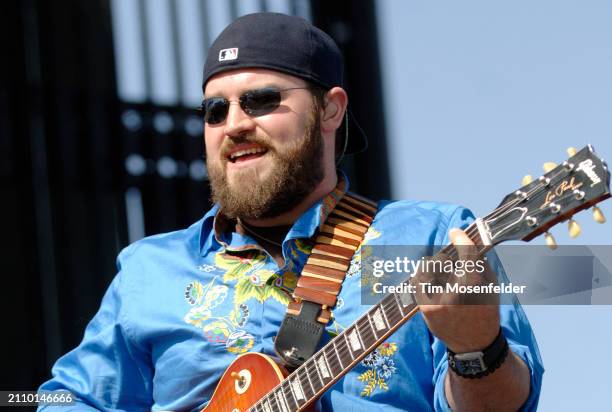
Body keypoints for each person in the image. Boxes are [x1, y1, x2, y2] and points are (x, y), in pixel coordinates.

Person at [39, 12, 543, 411]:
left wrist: (477, 350)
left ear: (330, 109)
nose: (233, 124)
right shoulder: (148, 270)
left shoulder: (433, 239)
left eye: (260, 101)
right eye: (215, 110)